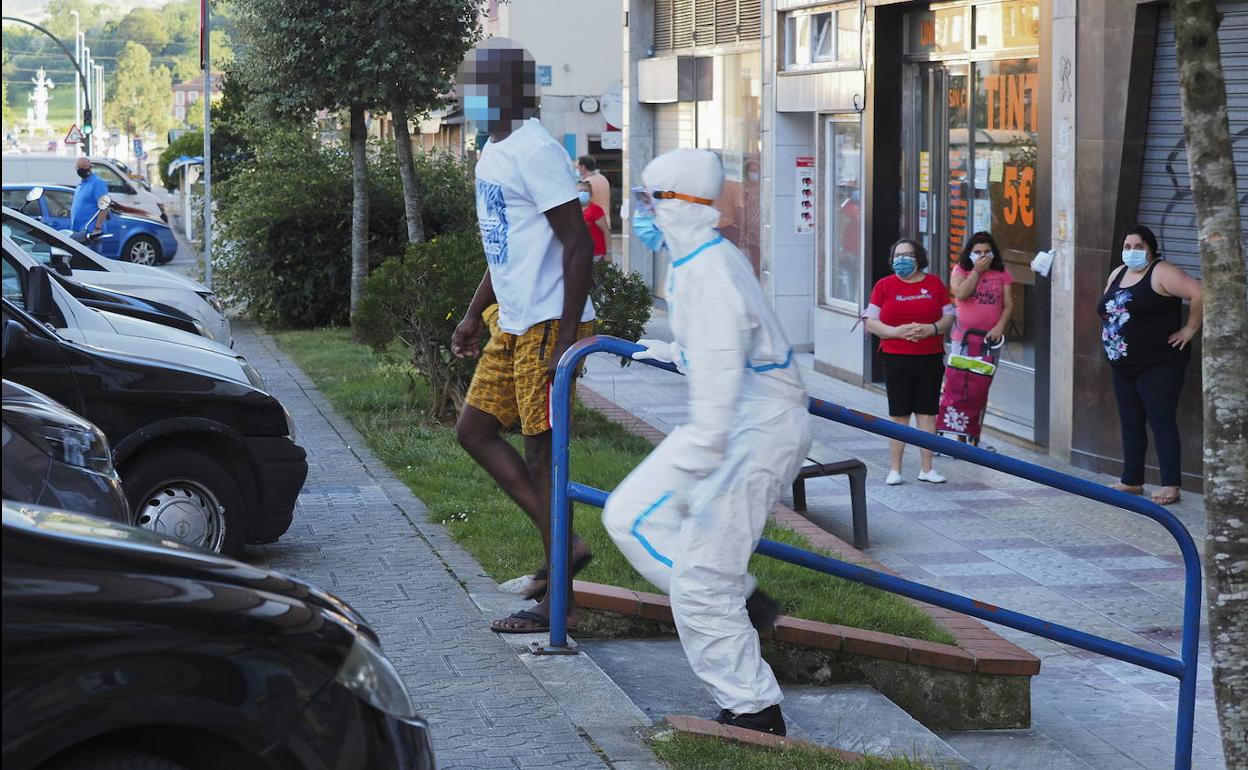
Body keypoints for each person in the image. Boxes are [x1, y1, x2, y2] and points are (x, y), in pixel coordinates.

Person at [603, 149, 811, 737]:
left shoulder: (709, 270)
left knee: (697, 577)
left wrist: (698, 464)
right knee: (629, 518)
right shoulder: (700, 260)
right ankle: (741, 606)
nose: (640, 211)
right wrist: (666, 353)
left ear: (680, 206)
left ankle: (753, 710)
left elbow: (719, 393)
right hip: (743, 424)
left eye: (650, 200)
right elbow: (720, 353)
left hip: (749, 430)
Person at [451, 39, 597, 633]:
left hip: (547, 322)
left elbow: (578, 243)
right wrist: (471, 313)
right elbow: (504, 245)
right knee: (474, 430)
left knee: (542, 452)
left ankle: (558, 593)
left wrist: (564, 338)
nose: (467, 96)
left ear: (508, 91)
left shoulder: (536, 150)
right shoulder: (494, 148)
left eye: (476, 87)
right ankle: (568, 546)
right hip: (511, 320)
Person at [1097, 224, 1202, 505]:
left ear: (1151, 249)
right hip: (1123, 363)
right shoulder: (1118, 273)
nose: (1132, 252)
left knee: (1161, 420)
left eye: (1139, 247)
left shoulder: (1162, 272)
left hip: (1159, 363)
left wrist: (1190, 329)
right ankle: (1131, 480)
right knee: (1131, 421)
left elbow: (1198, 292)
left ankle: (1171, 485)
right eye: (1128, 247)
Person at [865, 239, 955, 486]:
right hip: (896, 358)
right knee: (899, 415)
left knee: (927, 414)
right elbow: (870, 321)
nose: (901, 260)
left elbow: (949, 315)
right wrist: (896, 333)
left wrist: (932, 328)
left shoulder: (934, 284)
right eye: (897, 255)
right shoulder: (884, 285)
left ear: (919, 258)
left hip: (930, 357)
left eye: (907, 255)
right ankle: (895, 469)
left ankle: (927, 468)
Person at [949, 231, 1014, 345]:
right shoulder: (960, 269)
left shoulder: (1001, 272)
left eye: (987, 252)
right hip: (964, 338)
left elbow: (1008, 305)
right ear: (970, 254)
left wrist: (1000, 327)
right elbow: (960, 294)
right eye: (977, 252)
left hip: (990, 337)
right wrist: (977, 271)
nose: (983, 256)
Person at [70, 156, 109, 236]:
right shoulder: (80, 184)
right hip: (78, 232)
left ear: (90, 167)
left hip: (90, 233)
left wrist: (98, 228)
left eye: (84, 166)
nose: (81, 169)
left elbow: (104, 206)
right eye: (78, 167)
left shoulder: (97, 183)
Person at [578, 180, 610, 261]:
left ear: (591, 194)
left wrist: (608, 252)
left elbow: (606, 230)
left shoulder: (595, 210)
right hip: (580, 253)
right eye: (579, 191)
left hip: (596, 254)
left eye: (585, 191)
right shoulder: (574, 210)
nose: (582, 193)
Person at [577, 154, 611, 229]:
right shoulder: (603, 179)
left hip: (593, 224)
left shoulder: (586, 184)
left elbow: (582, 205)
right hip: (606, 223)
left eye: (578, 167)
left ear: (583, 167)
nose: (577, 170)